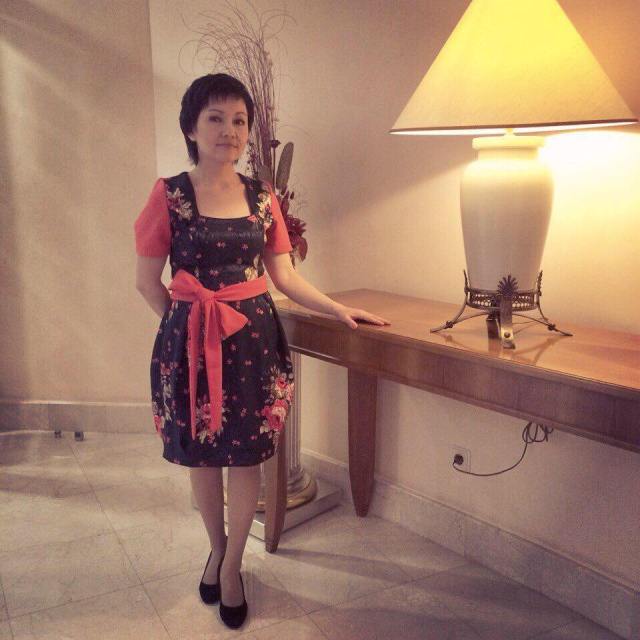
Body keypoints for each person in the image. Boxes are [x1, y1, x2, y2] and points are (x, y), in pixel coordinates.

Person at [133, 73, 389, 629]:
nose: (229, 130)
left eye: (239, 120)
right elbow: (148, 283)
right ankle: (216, 548)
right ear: (191, 128)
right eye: (215, 118)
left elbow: (285, 277)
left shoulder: (262, 196)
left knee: (247, 454)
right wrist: (188, 332)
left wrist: (338, 309)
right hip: (193, 347)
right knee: (203, 456)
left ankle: (231, 568)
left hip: (252, 346)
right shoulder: (168, 195)